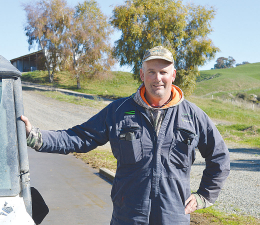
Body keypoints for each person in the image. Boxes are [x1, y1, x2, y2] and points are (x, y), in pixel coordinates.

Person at [22, 46, 230, 225]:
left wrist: (204, 196)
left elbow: (219, 156)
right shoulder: (119, 110)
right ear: (142, 75)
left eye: (163, 72)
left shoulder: (192, 115)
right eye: (151, 72)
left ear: (173, 75)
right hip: (129, 216)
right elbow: (79, 137)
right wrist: (35, 136)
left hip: (173, 216)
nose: (157, 78)